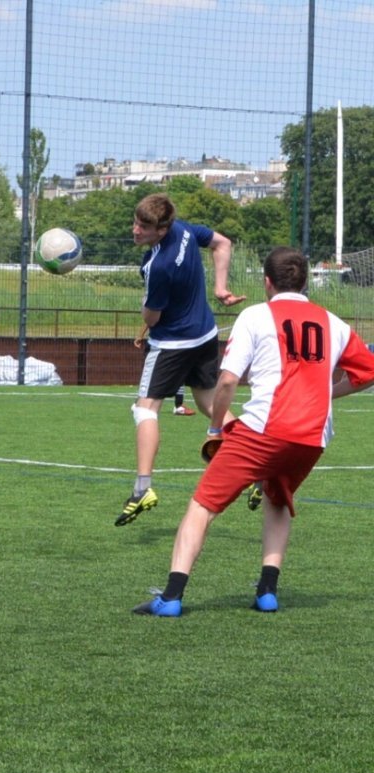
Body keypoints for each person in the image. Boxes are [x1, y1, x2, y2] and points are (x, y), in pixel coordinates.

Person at [134, 246, 374, 616]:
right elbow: (368, 372)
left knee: (202, 506)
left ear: (267, 281)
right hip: (312, 438)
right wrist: (329, 393)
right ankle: (267, 591)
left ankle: (171, 596)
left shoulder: (256, 315)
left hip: (265, 430)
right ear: (305, 281)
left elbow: (227, 380)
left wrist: (216, 425)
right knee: (278, 497)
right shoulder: (333, 322)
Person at [115, 193, 246, 527]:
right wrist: (220, 287)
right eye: (136, 222)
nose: (135, 230)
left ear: (161, 229)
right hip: (204, 335)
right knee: (207, 402)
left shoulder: (156, 266)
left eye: (144, 226)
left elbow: (153, 317)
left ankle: (142, 487)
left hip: (173, 344)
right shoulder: (185, 230)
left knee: (145, 409)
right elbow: (223, 243)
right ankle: (255, 466)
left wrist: (144, 309)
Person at [133, 325, 196, 415]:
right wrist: (140, 336)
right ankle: (138, 403)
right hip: (162, 346)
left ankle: (179, 405)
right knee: (153, 377)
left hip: (172, 345)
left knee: (180, 373)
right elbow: (149, 319)